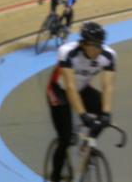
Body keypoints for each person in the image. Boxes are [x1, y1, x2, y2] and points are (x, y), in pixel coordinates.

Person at [46, 21, 116, 182]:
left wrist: (105, 113)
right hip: (59, 91)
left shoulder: (108, 56)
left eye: (100, 45)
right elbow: (70, 87)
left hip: (82, 88)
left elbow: (108, 86)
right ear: (84, 44)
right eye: (93, 45)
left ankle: (87, 145)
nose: (97, 49)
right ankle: (55, 176)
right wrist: (83, 115)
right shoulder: (68, 52)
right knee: (65, 137)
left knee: (104, 116)